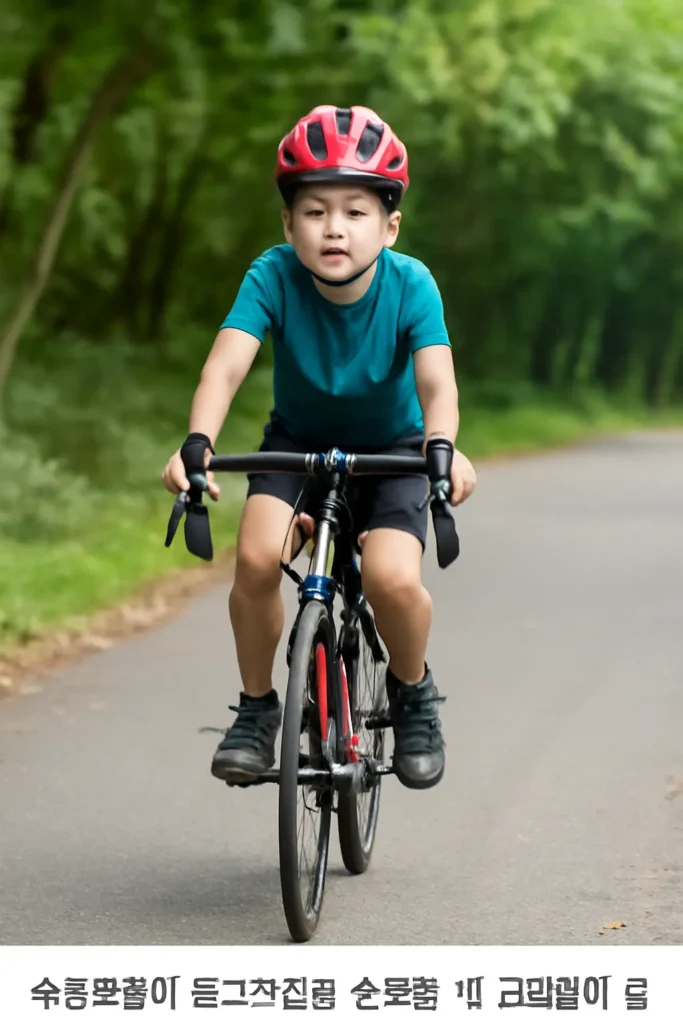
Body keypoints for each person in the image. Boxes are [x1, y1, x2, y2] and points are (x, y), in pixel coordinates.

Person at [161, 105, 477, 791]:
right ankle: (256, 709)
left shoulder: (410, 284)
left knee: (393, 579)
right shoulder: (271, 276)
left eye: (355, 211)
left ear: (389, 226)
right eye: (313, 210)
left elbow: (435, 380)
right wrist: (196, 445)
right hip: (297, 446)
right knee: (251, 558)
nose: (333, 227)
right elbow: (224, 367)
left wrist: (443, 447)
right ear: (287, 224)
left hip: (393, 451)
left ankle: (412, 691)